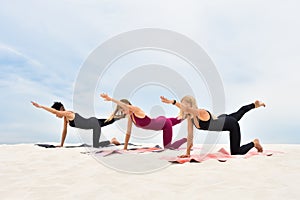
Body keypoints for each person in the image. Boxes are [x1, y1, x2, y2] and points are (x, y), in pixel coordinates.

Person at [160, 95, 265, 157]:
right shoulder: (190, 118)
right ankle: (254, 105)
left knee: (236, 152)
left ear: (191, 106)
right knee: (239, 113)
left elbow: (187, 109)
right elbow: (190, 136)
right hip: (222, 119)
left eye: (185, 105)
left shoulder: (200, 112)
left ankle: (254, 143)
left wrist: (172, 102)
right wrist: (187, 152)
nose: (183, 107)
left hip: (230, 124)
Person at [100, 93, 187, 150]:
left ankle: (185, 139)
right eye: (121, 111)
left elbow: (128, 107)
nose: (123, 112)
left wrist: (111, 99)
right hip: (160, 120)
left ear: (128, 106)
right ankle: (189, 113)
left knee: (168, 147)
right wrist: (125, 147)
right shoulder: (131, 117)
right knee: (181, 118)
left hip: (165, 124)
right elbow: (128, 132)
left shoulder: (137, 110)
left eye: (123, 109)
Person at [31, 101, 125, 147]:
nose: (56, 115)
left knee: (112, 120)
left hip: (94, 123)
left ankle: (125, 113)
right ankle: (113, 140)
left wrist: (41, 106)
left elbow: (56, 113)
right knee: (111, 120)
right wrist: (61, 144)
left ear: (61, 108)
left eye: (57, 112)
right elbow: (64, 131)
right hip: (93, 123)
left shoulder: (68, 113)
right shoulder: (66, 118)